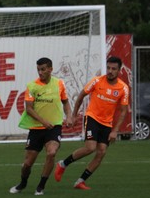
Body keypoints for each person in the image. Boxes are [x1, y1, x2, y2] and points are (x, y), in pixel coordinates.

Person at [54, 56, 130, 190]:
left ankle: (80, 181)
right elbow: (81, 96)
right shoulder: (96, 81)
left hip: (107, 124)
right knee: (90, 147)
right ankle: (63, 164)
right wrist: (73, 115)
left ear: (119, 70)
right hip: (92, 117)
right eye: (108, 68)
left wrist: (115, 131)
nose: (110, 71)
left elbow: (123, 111)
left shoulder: (123, 88)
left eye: (113, 69)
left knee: (101, 152)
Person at [10, 57, 72, 196]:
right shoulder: (32, 86)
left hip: (54, 127)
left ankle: (41, 186)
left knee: (51, 153)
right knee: (27, 164)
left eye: (43, 69)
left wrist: (69, 116)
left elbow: (66, 102)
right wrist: (43, 121)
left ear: (50, 69)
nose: (40, 72)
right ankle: (23, 183)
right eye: (38, 69)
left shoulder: (59, 84)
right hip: (37, 128)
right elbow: (29, 109)